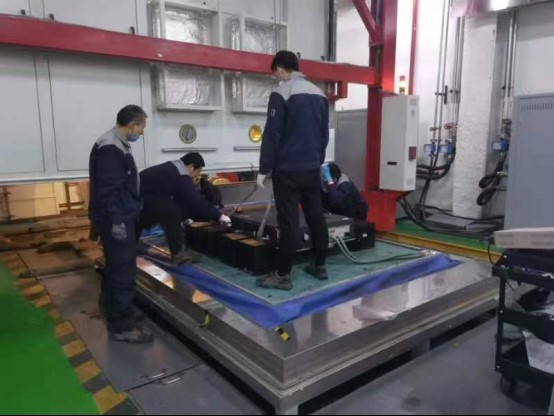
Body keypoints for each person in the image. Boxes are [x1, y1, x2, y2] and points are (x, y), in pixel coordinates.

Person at [255, 50, 330, 291]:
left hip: (287, 171)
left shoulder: (281, 93)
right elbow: (324, 135)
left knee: (288, 222)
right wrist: (316, 160)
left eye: (275, 73)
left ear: (279, 69)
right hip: (311, 168)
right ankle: (319, 265)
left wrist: (264, 168)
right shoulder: (319, 94)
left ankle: (283, 275)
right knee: (316, 217)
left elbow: (272, 134)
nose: (275, 77)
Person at [89, 105, 153, 344]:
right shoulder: (110, 148)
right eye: (142, 128)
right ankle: (122, 325)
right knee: (123, 270)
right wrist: (118, 222)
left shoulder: (116, 144)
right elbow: (109, 191)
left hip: (120, 215)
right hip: (117, 219)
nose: (141, 132)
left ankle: (115, 309)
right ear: (133, 125)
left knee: (116, 266)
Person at [138, 152, 231, 264]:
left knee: (162, 212)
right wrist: (219, 216)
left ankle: (131, 242)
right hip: (139, 198)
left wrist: (184, 217)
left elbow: (180, 199)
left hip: (140, 198)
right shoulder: (181, 176)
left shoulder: (171, 168)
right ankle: (178, 254)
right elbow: (195, 201)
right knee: (170, 213)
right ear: (191, 167)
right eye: (198, 172)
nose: (196, 176)